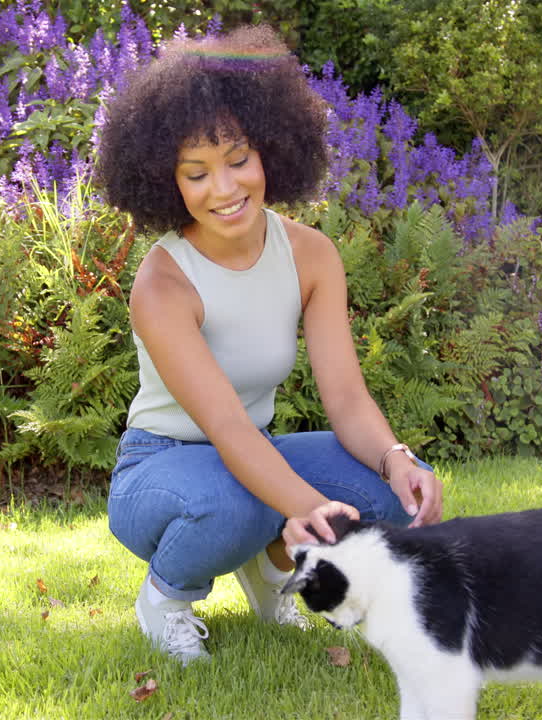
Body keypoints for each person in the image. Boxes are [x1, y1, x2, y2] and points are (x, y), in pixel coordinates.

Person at [92, 25, 443, 665]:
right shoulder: (164, 282)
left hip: (253, 454)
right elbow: (226, 427)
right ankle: (166, 599)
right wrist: (309, 507)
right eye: (195, 174)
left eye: (237, 160)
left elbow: (344, 395)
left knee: (387, 495)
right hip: (161, 470)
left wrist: (398, 459)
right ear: (166, 182)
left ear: (270, 152)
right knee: (243, 498)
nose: (224, 189)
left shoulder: (310, 255)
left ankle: (269, 571)